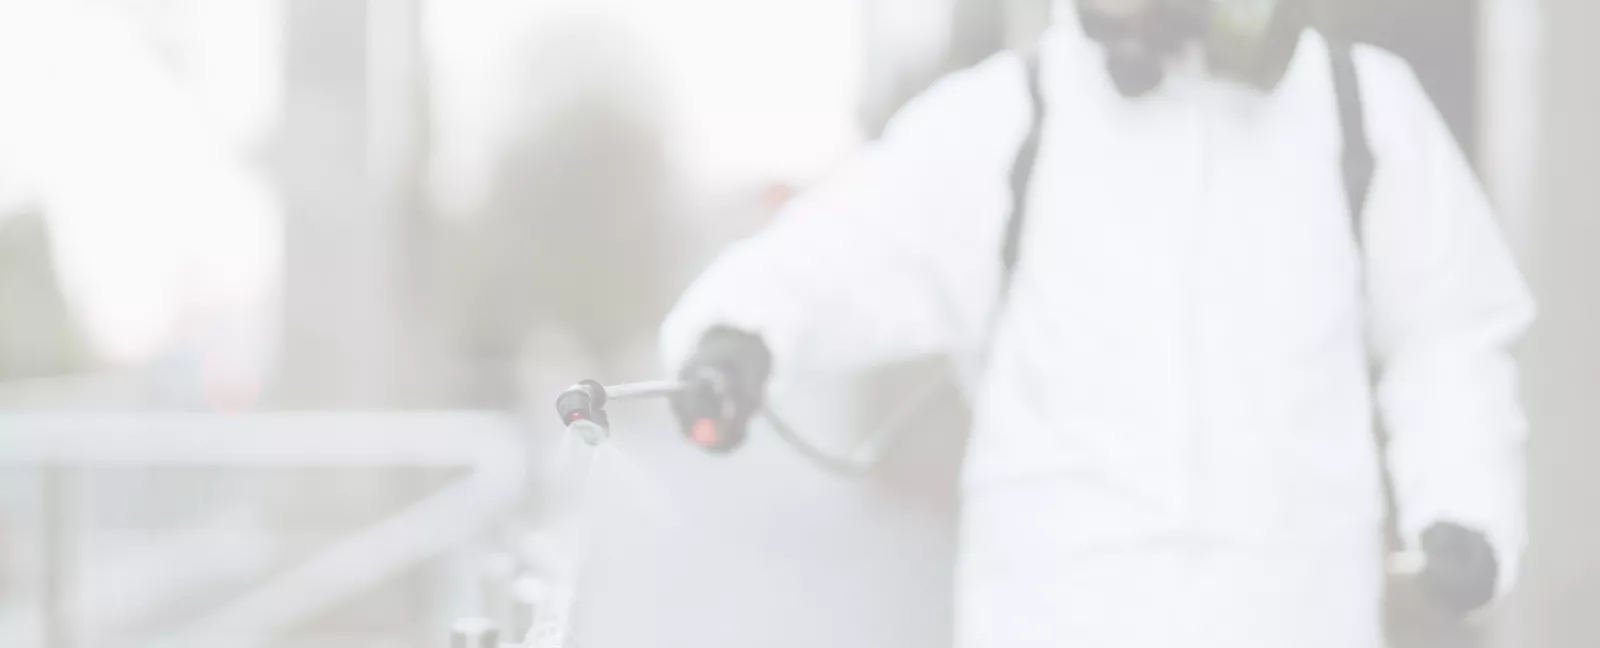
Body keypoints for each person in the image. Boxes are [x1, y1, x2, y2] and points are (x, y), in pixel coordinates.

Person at [657, 1, 1533, 647]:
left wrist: (1466, 507)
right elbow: (845, 248)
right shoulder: (1009, 120)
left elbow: (1448, 330)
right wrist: (736, 334)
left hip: (1295, 619)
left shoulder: (1358, 112)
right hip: (1057, 618)